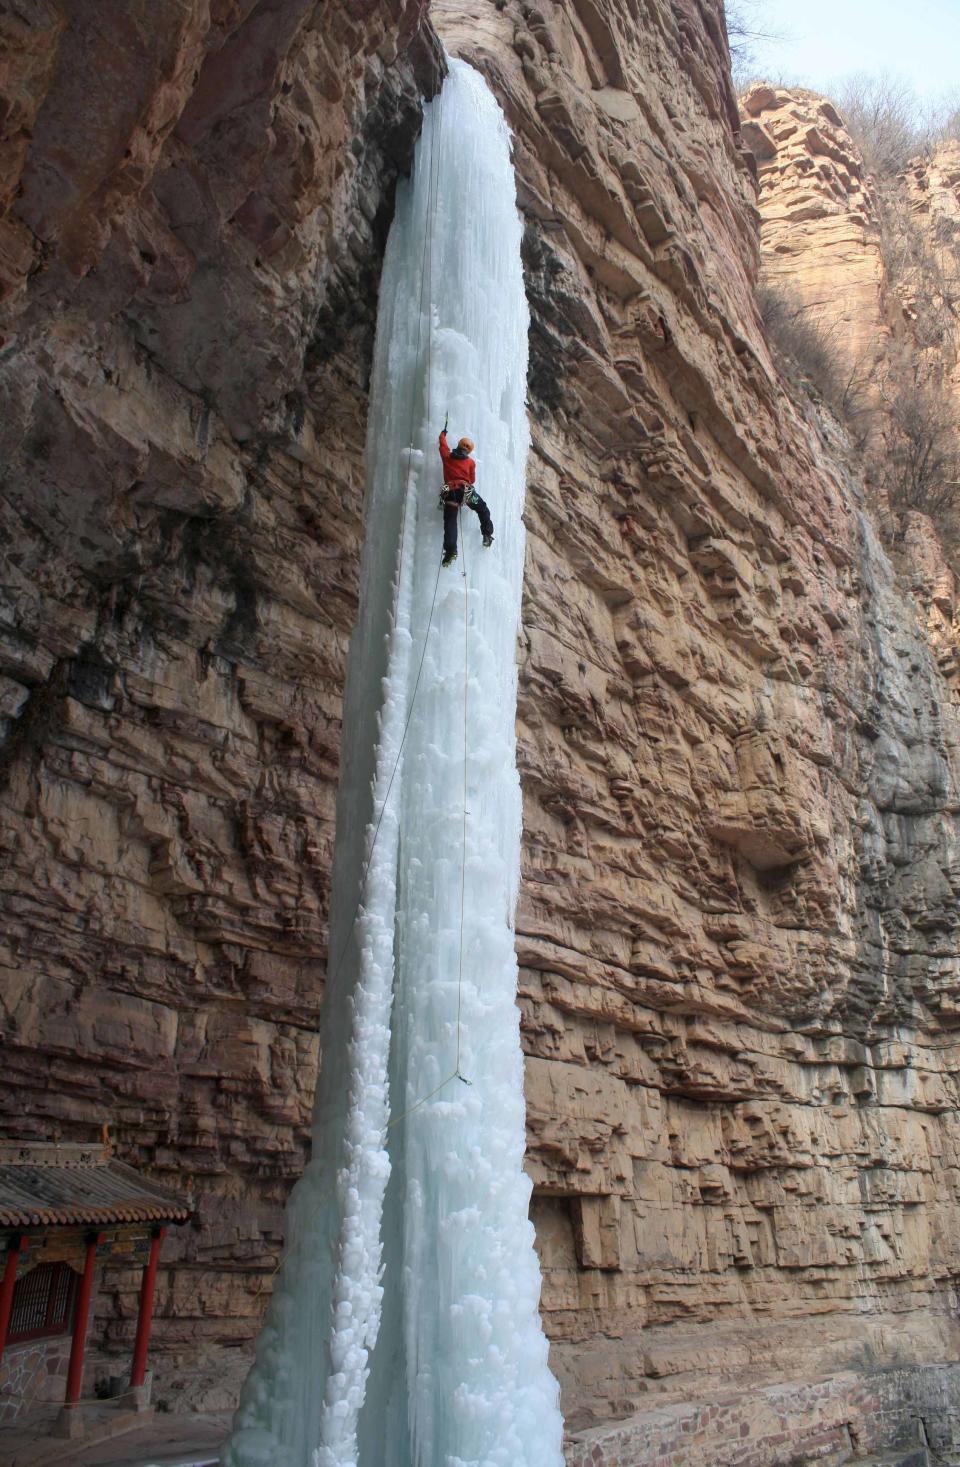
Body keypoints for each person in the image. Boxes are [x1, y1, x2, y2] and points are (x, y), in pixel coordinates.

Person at [437, 428, 494, 566]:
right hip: (466, 492)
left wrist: (443, 433)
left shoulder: (447, 456)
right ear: (469, 451)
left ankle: (451, 551)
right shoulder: (470, 463)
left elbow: (442, 444)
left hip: (449, 491)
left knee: (450, 520)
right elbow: (472, 480)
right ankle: (487, 534)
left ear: (458, 444)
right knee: (482, 508)